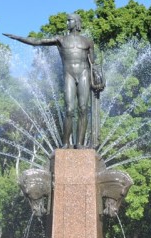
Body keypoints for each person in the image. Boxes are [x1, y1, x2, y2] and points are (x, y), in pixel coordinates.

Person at [5, 14, 96, 148]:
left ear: (76, 22)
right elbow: (38, 41)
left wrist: (97, 79)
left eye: (69, 20)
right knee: (70, 109)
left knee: (83, 108)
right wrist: (18, 38)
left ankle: (80, 144)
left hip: (84, 73)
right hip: (69, 74)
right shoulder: (61, 39)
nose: (67, 23)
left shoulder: (88, 41)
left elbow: (93, 63)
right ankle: (65, 143)